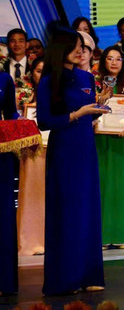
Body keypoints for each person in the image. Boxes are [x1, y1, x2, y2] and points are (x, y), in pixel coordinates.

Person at [36, 27, 109, 294]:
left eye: (82, 47)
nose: (81, 51)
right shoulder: (49, 81)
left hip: (86, 150)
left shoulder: (86, 76)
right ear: (61, 49)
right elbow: (45, 121)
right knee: (66, 212)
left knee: (88, 210)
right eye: (76, 46)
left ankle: (89, 275)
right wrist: (78, 114)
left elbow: (88, 114)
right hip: (64, 153)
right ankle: (64, 279)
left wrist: (99, 106)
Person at [93, 46, 124, 249]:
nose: (114, 62)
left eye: (118, 59)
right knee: (101, 184)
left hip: (123, 141)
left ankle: (123, 233)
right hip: (99, 140)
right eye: (110, 58)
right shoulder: (93, 83)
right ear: (103, 61)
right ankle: (102, 236)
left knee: (123, 186)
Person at [17, 57, 46, 256]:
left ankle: (52, 239)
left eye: (45, 71)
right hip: (31, 151)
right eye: (38, 71)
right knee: (31, 192)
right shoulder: (24, 95)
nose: (42, 76)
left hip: (54, 148)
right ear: (31, 73)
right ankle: (30, 240)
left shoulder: (59, 93)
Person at [0, 70, 19, 296]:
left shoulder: (4, 78)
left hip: (1, 154)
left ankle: (3, 281)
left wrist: (24, 123)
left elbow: (10, 113)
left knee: (3, 216)